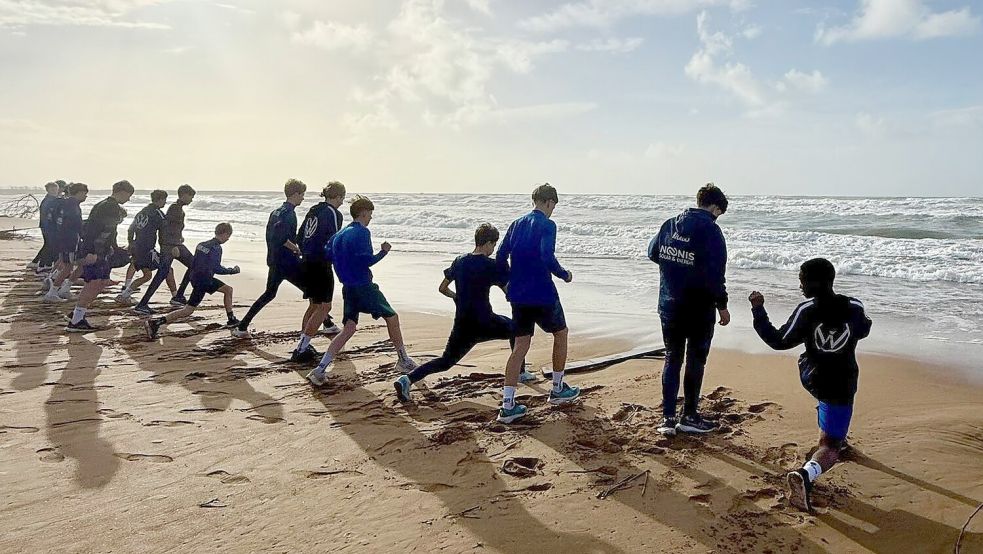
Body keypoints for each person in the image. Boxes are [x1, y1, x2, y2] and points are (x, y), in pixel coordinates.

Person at [749, 258, 871, 512]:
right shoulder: (855, 307)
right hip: (841, 382)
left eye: (802, 281)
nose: (800, 286)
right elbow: (864, 329)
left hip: (812, 376)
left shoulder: (807, 311)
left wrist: (758, 310)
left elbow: (779, 341)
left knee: (827, 407)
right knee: (829, 447)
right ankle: (807, 474)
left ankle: (835, 435)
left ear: (813, 284)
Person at [393, 223, 534, 402]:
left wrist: (457, 297)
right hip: (485, 322)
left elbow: (442, 288)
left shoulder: (459, 261)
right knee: (518, 330)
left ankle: (407, 379)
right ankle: (520, 372)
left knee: (445, 361)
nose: (493, 249)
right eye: (494, 244)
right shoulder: (491, 265)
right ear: (489, 243)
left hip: (462, 325)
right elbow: (509, 293)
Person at [306, 195, 418, 386]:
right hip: (363, 286)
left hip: (348, 287)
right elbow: (367, 260)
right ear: (364, 213)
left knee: (348, 329)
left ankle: (320, 369)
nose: (371, 218)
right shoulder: (362, 232)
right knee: (392, 317)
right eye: (370, 215)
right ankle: (403, 360)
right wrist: (383, 251)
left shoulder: (339, 234)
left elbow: (326, 252)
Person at [647, 183, 730, 436]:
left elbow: (653, 252)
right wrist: (723, 306)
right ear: (715, 207)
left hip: (669, 304)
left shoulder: (670, 224)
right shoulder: (711, 231)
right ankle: (690, 415)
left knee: (672, 358)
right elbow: (717, 274)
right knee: (695, 359)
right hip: (698, 308)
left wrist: (678, 265)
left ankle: (668, 418)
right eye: (719, 213)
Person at [494, 183, 579, 424]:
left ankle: (508, 404)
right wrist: (564, 274)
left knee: (520, 345)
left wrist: (507, 282)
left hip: (519, 293)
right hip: (542, 292)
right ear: (549, 202)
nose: (553, 211)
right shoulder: (548, 224)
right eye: (553, 206)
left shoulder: (516, 223)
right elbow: (546, 256)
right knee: (560, 334)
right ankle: (558, 388)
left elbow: (500, 256)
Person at [231, 179, 315, 344]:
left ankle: (242, 327)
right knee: (313, 292)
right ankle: (325, 323)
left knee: (270, 294)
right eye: (302, 195)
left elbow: (271, 235)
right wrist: (297, 249)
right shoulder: (289, 213)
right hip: (287, 262)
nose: (303, 198)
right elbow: (282, 238)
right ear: (296, 194)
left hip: (275, 260)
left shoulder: (276, 211)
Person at [145, 223, 241, 339]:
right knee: (188, 310)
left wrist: (192, 277)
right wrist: (232, 271)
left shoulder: (201, 245)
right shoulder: (216, 248)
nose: (228, 239)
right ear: (225, 234)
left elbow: (194, 263)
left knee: (227, 290)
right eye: (228, 236)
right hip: (205, 280)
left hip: (196, 277)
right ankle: (155, 323)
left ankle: (231, 318)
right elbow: (216, 268)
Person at [66, 180, 134, 332]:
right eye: (128, 195)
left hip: (102, 251)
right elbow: (93, 230)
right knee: (94, 283)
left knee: (102, 281)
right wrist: (91, 252)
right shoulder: (109, 207)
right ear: (122, 192)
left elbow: (110, 232)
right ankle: (76, 320)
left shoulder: (107, 205)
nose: (128, 199)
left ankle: (76, 314)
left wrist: (114, 248)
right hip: (95, 251)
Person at [290, 181, 346, 361]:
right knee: (324, 306)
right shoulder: (334, 214)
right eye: (342, 198)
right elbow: (334, 241)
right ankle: (302, 347)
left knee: (314, 305)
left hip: (306, 260)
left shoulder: (313, 210)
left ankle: (302, 344)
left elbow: (300, 236)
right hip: (320, 263)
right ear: (338, 197)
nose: (343, 202)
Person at [133, 184, 195, 315]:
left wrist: (179, 237)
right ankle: (145, 303)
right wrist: (173, 246)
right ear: (184, 195)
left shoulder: (177, 208)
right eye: (191, 196)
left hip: (173, 244)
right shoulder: (175, 209)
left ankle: (177, 297)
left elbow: (173, 228)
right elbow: (166, 228)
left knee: (168, 271)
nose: (192, 200)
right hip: (171, 246)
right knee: (163, 273)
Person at [118, 190, 168, 304]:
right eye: (164, 200)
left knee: (146, 274)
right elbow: (164, 231)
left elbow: (131, 229)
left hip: (137, 246)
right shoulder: (158, 213)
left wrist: (131, 242)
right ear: (160, 200)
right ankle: (125, 294)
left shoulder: (142, 212)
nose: (165, 203)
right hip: (148, 249)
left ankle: (126, 292)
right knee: (163, 270)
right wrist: (165, 247)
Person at [42, 182, 88, 302]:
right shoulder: (72, 206)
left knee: (63, 262)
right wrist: (84, 236)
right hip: (68, 240)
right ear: (79, 193)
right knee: (68, 266)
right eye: (85, 193)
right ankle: (53, 292)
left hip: (60, 238)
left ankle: (52, 282)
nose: (86, 196)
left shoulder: (63, 203)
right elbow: (75, 224)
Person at [29, 181, 62, 272]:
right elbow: (48, 215)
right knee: (50, 245)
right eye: (52, 189)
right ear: (47, 190)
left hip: (49, 227)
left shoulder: (53, 199)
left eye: (55, 189)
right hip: (48, 227)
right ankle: (42, 265)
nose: (54, 191)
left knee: (49, 245)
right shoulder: (49, 200)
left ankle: (41, 263)